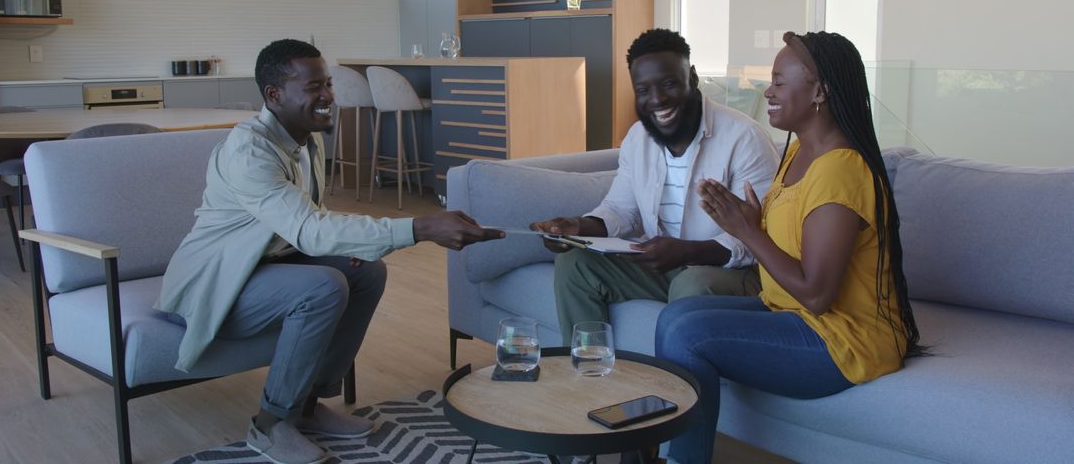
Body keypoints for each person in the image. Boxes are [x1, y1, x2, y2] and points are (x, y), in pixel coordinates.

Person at [156, 39, 503, 464]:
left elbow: (308, 219)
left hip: (263, 265)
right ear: (274, 95)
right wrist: (421, 226)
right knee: (322, 287)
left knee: (368, 272)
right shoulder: (249, 152)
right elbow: (308, 228)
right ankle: (269, 424)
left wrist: (352, 245)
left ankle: (307, 405)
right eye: (314, 87)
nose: (328, 96)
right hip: (215, 283)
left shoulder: (305, 139)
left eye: (329, 84)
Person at [655, 31, 924, 463]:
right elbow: (795, 236)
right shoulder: (799, 151)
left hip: (841, 339)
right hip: (790, 312)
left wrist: (749, 232)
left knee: (689, 334)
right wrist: (754, 220)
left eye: (779, 82)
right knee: (675, 316)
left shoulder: (840, 169)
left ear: (820, 92)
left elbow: (817, 294)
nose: (768, 91)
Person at [530, 28, 779, 339]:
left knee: (691, 283)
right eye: (643, 90)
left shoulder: (744, 139)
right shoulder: (639, 138)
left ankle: (676, 372)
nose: (657, 99)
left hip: (730, 272)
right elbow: (621, 209)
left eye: (669, 84)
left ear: (693, 77)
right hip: (665, 265)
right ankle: (589, 364)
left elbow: (761, 238)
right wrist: (579, 227)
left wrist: (687, 253)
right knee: (574, 263)